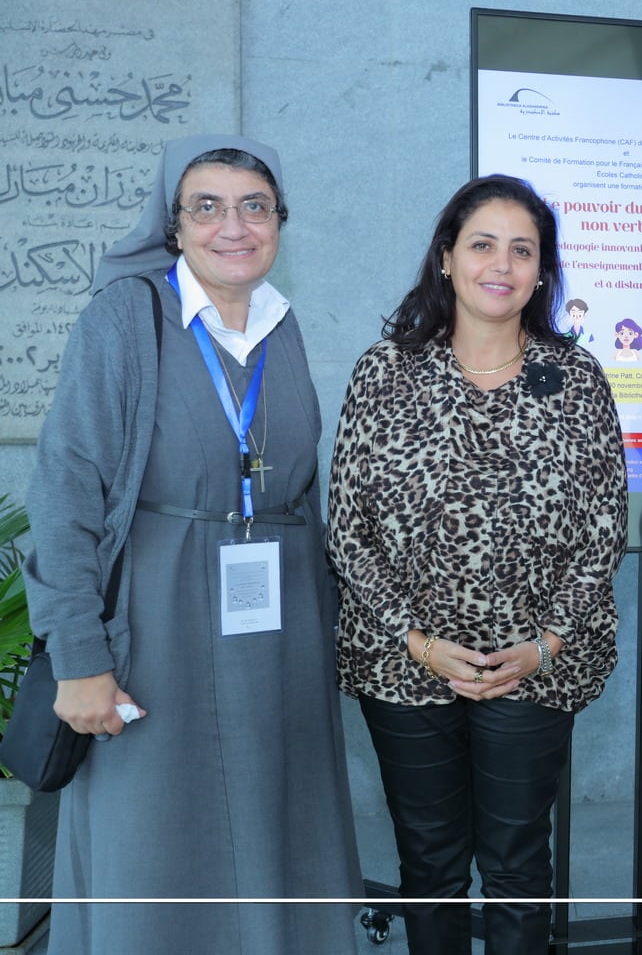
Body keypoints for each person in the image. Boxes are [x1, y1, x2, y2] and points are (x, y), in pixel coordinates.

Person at [23, 134, 362, 952]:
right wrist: (80, 656)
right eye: (206, 207)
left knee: (281, 833)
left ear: (279, 220)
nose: (232, 226)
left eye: (254, 206)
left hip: (278, 636)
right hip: (155, 634)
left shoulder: (283, 324)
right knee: (155, 841)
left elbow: (302, 488)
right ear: (172, 224)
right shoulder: (125, 317)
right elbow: (66, 490)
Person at [327, 174, 627, 955]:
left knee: (518, 867)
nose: (502, 264)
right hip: (404, 663)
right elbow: (348, 529)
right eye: (482, 244)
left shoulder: (575, 377)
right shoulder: (384, 371)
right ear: (446, 258)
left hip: (532, 664)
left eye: (522, 250)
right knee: (429, 865)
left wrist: (545, 642)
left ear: (541, 271)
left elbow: (603, 528)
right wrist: (418, 639)